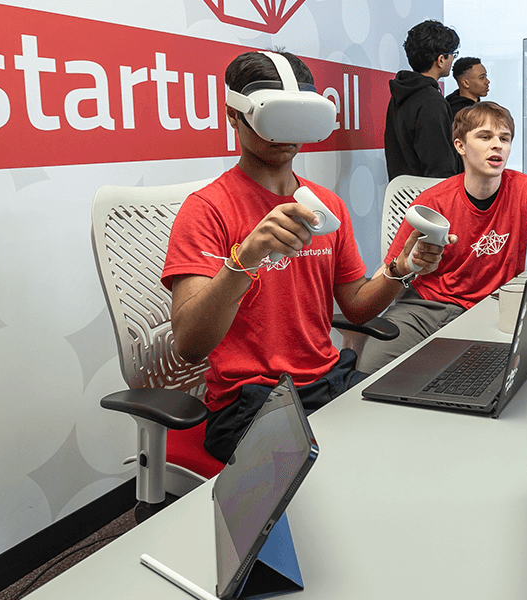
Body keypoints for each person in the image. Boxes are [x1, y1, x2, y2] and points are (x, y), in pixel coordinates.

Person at [162, 51, 449, 463]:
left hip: (327, 380)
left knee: (413, 443)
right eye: (274, 117)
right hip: (250, 402)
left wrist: (401, 271)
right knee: (341, 472)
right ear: (234, 115)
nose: (286, 133)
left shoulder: (325, 205)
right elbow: (190, 345)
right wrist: (247, 257)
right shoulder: (207, 209)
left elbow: (355, 308)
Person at [358, 101, 527, 374]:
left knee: (503, 379)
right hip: (426, 308)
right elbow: (392, 268)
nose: (497, 145)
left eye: (505, 138)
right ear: (460, 146)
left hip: (493, 309)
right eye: (485, 136)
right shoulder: (432, 201)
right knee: (369, 372)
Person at [385, 20, 460, 180]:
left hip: (404, 199)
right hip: (429, 200)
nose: (453, 60)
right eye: (452, 55)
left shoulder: (400, 94)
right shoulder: (431, 101)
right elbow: (440, 167)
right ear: (440, 60)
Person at [446, 57, 489, 121]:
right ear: (465, 83)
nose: (487, 82)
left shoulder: (477, 107)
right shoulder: (459, 114)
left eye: (486, 76)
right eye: (482, 78)